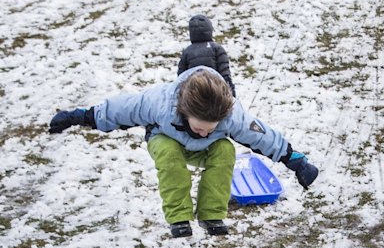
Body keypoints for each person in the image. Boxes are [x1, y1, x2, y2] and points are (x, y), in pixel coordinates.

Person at [48, 67, 318, 239]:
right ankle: (179, 218)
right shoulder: (160, 103)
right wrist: (77, 117)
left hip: (204, 152)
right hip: (167, 140)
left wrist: (296, 161)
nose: (203, 132)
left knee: (224, 149)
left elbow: (263, 136)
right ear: (184, 111)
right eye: (199, 127)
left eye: (209, 129)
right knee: (169, 153)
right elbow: (120, 109)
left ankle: (212, 215)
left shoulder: (231, 117)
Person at [178, 15, 236, 97]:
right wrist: (232, 95)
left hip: (193, 97)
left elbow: (181, 78)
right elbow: (225, 75)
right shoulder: (217, 49)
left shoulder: (187, 51)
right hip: (215, 94)